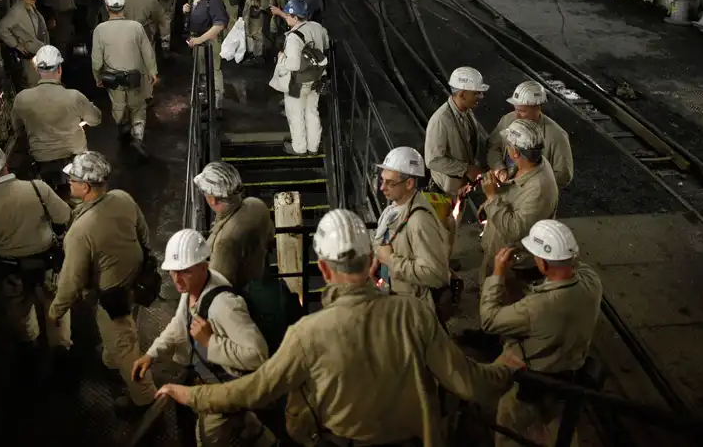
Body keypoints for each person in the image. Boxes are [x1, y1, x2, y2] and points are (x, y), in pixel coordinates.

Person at [156, 209, 514, 446]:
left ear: (324, 269)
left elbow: (254, 390)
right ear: (371, 261)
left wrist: (191, 395)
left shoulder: (308, 333)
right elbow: (467, 381)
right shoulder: (415, 314)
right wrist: (505, 368)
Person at [132, 229, 275, 447]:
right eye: (173, 271)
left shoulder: (224, 305)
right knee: (244, 422)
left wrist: (210, 342)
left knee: (206, 439)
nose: (177, 279)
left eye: (184, 271)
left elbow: (258, 355)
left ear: (203, 266)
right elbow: (180, 324)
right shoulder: (192, 288)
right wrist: (151, 355)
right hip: (219, 378)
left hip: (221, 389)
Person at [481, 221, 602, 447]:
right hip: (570, 376)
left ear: (544, 264)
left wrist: (497, 273)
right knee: (561, 431)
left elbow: (489, 320)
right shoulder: (592, 282)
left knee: (512, 427)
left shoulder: (537, 307)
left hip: (533, 380)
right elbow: (575, 264)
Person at [50, 152, 155, 411]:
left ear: (85, 187)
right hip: (135, 281)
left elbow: (71, 280)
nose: (69, 182)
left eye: (72, 179)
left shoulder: (81, 231)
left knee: (125, 346)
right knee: (117, 333)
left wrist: (56, 311)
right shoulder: (122, 198)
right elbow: (143, 234)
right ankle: (111, 359)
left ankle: (144, 398)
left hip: (112, 296)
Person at [0, 142, 71, 365]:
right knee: (55, 302)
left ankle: (29, 345)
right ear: (5, 162)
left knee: (20, 311)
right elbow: (63, 216)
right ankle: (61, 345)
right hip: (47, 261)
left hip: (11, 271)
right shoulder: (36, 188)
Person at [11, 45, 102, 192]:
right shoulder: (74, 97)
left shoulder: (21, 99)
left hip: (42, 159)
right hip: (75, 157)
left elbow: (18, 129)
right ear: (59, 69)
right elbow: (95, 120)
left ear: (37, 70)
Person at [478, 119, 559, 278]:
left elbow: (514, 230)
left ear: (515, 153)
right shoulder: (531, 164)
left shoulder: (539, 189)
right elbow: (515, 193)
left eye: (508, 145)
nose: (506, 148)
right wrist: (489, 203)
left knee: (496, 292)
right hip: (500, 251)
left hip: (512, 265)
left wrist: (492, 197)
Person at [373, 147, 450, 307]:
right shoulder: (391, 210)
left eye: (390, 183)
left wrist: (390, 260)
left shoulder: (419, 220)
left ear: (409, 183)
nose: (382, 188)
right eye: (382, 180)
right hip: (395, 299)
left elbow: (436, 275)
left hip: (413, 308)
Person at [424, 66, 488, 251]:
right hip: (445, 190)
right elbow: (432, 160)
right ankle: (440, 263)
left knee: (451, 229)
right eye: (476, 93)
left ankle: (446, 260)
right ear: (461, 94)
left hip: (458, 188)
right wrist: (466, 169)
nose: (480, 96)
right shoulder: (441, 120)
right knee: (442, 232)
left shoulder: (465, 112)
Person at [91, 0, 158, 156]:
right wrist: (152, 71)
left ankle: (123, 127)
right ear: (123, 6)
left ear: (107, 7)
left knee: (118, 105)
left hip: (113, 79)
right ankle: (138, 138)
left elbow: (96, 60)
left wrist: (98, 77)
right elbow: (148, 52)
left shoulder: (100, 30)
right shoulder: (136, 27)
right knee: (138, 107)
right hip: (135, 77)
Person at [193, 162, 274, 290]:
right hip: (262, 279)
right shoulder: (257, 205)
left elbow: (217, 287)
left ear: (212, 199)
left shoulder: (223, 243)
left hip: (242, 294)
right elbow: (270, 235)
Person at [269, 0, 329, 155]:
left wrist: (281, 58)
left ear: (295, 17)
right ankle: (313, 147)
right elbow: (326, 45)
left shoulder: (294, 37)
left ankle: (299, 148)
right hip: (316, 79)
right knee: (312, 112)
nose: (286, 19)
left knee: (296, 115)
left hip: (297, 83)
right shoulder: (318, 27)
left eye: (288, 16)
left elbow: (294, 65)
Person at [488, 81, 573, 190]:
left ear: (538, 107)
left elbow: (564, 175)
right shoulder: (507, 120)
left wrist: (528, 185)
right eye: (515, 109)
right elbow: (493, 147)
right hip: (503, 188)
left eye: (522, 111)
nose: (517, 116)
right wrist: (500, 169)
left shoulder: (556, 136)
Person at [184, 0, 228, 112]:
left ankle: (217, 103)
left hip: (210, 40)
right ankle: (204, 97)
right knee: (200, 70)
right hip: (196, 39)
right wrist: (187, 9)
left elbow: (219, 24)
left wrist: (200, 39)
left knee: (214, 70)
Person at [0, 0, 49, 87]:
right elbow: (1, 28)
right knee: (33, 86)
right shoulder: (16, 11)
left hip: (40, 55)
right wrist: (15, 44)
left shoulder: (30, 6)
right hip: (29, 58)